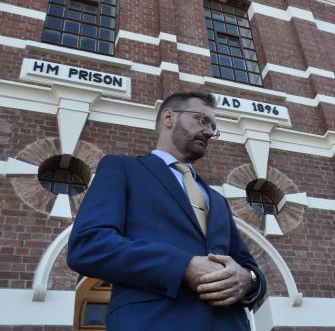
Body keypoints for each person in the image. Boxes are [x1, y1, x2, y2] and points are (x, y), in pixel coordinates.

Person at [67, 90, 266, 330]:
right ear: (169, 117)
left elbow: (247, 264)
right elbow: (88, 245)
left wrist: (249, 279)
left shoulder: (217, 199)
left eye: (214, 126)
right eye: (202, 120)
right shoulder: (122, 169)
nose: (210, 132)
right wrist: (182, 266)